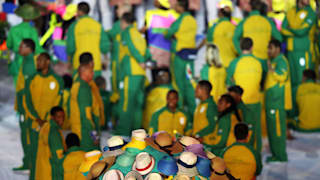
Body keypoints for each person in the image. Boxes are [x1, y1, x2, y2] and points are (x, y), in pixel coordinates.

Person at [24, 52, 64, 180]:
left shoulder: (57, 80)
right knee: (34, 156)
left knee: (50, 158)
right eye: (37, 61)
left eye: (40, 60)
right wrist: (37, 119)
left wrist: (47, 120)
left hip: (50, 126)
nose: (37, 63)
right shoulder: (31, 79)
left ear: (47, 62)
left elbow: (59, 102)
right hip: (35, 125)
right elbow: (27, 101)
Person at [227, 37, 263, 153]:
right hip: (255, 101)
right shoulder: (259, 62)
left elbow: (229, 82)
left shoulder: (234, 63)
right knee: (256, 130)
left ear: (240, 47)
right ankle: (255, 154)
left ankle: (240, 153)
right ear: (252, 47)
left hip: (240, 102)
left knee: (239, 130)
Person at [281, 0, 316, 118]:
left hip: (303, 51)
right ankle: (294, 113)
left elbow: (302, 32)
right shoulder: (290, 11)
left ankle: (307, 114)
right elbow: (282, 29)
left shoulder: (311, 13)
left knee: (303, 81)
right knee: (293, 82)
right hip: (291, 52)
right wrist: (295, 31)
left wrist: (290, 29)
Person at [115, 12, 148, 136]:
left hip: (130, 71)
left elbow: (131, 47)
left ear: (123, 21)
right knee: (138, 104)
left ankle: (123, 132)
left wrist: (140, 61)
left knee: (126, 103)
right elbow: (146, 50)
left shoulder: (127, 32)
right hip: (140, 74)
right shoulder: (139, 34)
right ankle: (137, 132)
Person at [164, 0, 197, 117]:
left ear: (180, 7)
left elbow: (167, 34)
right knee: (189, 84)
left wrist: (171, 34)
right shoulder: (193, 20)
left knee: (178, 85)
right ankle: (193, 115)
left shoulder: (179, 20)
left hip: (179, 57)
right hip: (190, 58)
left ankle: (180, 115)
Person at [233, 0, 282, 67]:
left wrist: (242, 52)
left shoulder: (244, 22)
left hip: (249, 61)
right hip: (265, 60)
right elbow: (279, 38)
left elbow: (235, 38)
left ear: (251, 7)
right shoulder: (268, 22)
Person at [66, 2, 110, 77]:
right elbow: (105, 46)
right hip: (95, 65)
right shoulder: (97, 25)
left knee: (80, 87)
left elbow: (70, 48)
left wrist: (69, 63)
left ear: (79, 11)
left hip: (79, 66)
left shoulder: (74, 26)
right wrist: (106, 59)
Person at [265, 39, 291, 162]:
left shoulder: (281, 61)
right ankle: (276, 154)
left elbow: (282, 76)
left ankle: (281, 156)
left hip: (277, 103)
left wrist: (271, 69)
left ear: (278, 49)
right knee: (272, 131)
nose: (268, 51)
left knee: (278, 131)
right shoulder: (274, 61)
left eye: (270, 48)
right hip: (271, 102)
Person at [13, 38, 37, 171]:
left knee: (27, 135)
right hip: (24, 105)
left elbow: (27, 88)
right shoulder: (27, 61)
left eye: (22, 47)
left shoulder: (29, 62)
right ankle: (28, 162)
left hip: (25, 107)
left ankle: (29, 163)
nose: (19, 49)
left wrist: (24, 107)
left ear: (29, 48)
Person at [6, 3, 42, 86]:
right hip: (30, 62)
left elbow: (9, 45)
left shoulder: (13, 30)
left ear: (21, 16)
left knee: (18, 86)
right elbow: (37, 48)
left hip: (17, 61)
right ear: (31, 18)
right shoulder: (33, 31)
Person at [70, 63, 100, 151]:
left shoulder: (77, 85)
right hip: (86, 133)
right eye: (91, 71)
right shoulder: (83, 88)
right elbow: (86, 116)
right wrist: (94, 136)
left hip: (79, 130)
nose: (93, 73)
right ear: (84, 73)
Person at [141, 0, 179, 68]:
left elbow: (145, 32)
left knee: (156, 74)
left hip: (154, 50)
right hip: (171, 50)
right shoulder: (176, 15)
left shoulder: (150, 14)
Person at [35, 106, 66, 180]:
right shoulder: (54, 132)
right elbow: (58, 156)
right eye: (58, 117)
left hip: (43, 170)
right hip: (51, 172)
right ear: (52, 117)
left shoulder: (46, 126)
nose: (61, 119)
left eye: (63, 116)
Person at [206, 0, 237, 68]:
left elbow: (209, 48)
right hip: (232, 64)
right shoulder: (235, 28)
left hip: (217, 66)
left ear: (219, 13)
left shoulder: (213, 28)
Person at [191, 80, 218, 146]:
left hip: (207, 144)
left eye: (197, 88)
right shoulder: (200, 104)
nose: (195, 90)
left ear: (203, 90)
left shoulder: (210, 106)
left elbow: (212, 126)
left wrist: (198, 134)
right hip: (198, 142)